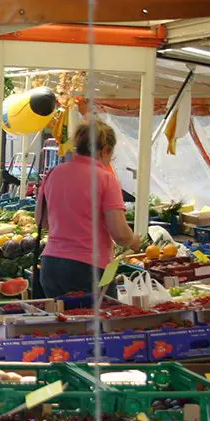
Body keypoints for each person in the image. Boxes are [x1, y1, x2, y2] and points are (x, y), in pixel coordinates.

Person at [36, 119, 143, 298]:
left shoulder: (54, 173)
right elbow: (120, 234)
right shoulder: (106, 179)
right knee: (97, 316)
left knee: (58, 316)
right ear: (105, 149)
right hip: (88, 268)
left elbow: (42, 221)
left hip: (51, 265)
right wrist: (133, 241)